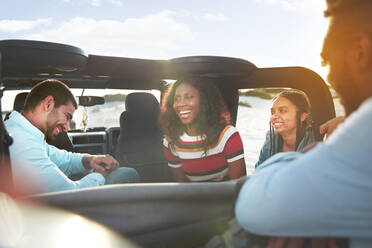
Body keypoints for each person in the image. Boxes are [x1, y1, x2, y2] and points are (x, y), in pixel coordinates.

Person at [235, 0, 372, 247]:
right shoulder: (271, 141)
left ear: (360, 52)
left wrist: (302, 159)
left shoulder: (356, 139)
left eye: (328, 61)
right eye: (273, 111)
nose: (330, 76)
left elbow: (254, 206)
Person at [5, 79, 139, 194]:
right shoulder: (22, 142)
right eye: (67, 116)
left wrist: (90, 159)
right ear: (48, 104)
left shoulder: (22, 133)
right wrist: (101, 175)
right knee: (127, 174)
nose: (67, 128)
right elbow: (69, 193)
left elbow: (65, 159)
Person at [159, 77, 246, 182]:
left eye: (189, 97)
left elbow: (238, 185)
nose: (181, 104)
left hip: (225, 197)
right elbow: (182, 187)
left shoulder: (228, 135)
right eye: (176, 99)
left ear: (204, 100)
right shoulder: (170, 141)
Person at [255, 90, 315, 168]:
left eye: (282, 111)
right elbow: (259, 171)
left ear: (302, 117)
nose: (274, 117)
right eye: (273, 112)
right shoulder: (270, 138)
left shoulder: (315, 143)